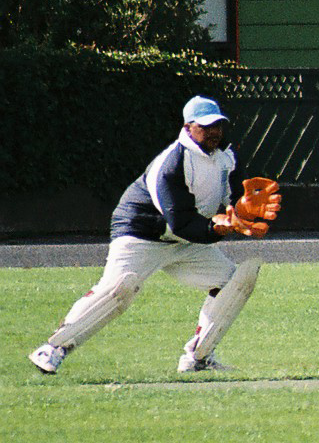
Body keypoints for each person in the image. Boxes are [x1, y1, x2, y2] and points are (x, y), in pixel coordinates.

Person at [28, 95, 282, 376]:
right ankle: (53, 348)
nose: (214, 131)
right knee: (119, 289)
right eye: (206, 126)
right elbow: (181, 221)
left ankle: (198, 357)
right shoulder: (171, 163)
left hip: (185, 242)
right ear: (188, 127)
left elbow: (232, 199)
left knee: (234, 281)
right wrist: (220, 227)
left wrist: (242, 212)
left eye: (219, 125)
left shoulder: (227, 157)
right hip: (142, 234)